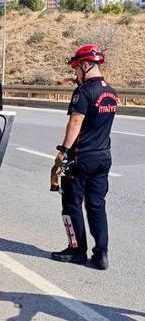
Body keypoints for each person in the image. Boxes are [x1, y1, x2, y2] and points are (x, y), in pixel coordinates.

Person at [50, 44, 118, 270]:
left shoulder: (84, 92)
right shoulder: (111, 92)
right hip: (103, 157)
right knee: (97, 204)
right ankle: (101, 254)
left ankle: (77, 250)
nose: (75, 74)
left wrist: (63, 153)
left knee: (71, 203)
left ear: (86, 65)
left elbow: (76, 122)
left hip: (81, 158)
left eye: (76, 69)